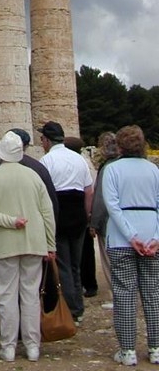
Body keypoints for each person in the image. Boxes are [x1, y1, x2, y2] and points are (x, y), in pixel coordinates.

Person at [0, 130, 56, 363]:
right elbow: (47, 213)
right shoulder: (33, 176)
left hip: (4, 244)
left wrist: (8, 221)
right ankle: (32, 346)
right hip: (33, 242)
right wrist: (50, 244)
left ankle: (8, 346)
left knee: (7, 296)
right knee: (30, 295)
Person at [102, 125, 159, 367]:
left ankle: (127, 350)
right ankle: (156, 348)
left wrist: (130, 235)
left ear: (120, 146)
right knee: (153, 294)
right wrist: (156, 236)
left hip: (121, 238)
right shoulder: (153, 170)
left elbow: (112, 206)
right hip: (150, 235)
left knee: (124, 294)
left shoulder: (112, 169)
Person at [39, 120, 93, 323]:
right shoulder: (79, 159)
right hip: (78, 211)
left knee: (62, 263)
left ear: (47, 140)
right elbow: (89, 190)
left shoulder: (47, 161)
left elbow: (44, 192)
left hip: (59, 211)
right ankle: (77, 306)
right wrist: (86, 216)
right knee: (75, 264)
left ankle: (70, 310)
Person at [65, 135, 98, 299]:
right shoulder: (84, 162)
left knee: (83, 251)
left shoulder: (80, 163)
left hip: (81, 211)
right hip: (83, 211)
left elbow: (89, 191)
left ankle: (87, 284)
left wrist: (88, 214)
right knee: (86, 251)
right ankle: (87, 283)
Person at [90, 131, 119, 307]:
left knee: (109, 260)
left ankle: (117, 297)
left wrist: (94, 222)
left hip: (108, 221)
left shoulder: (107, 167)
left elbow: (100, 197)